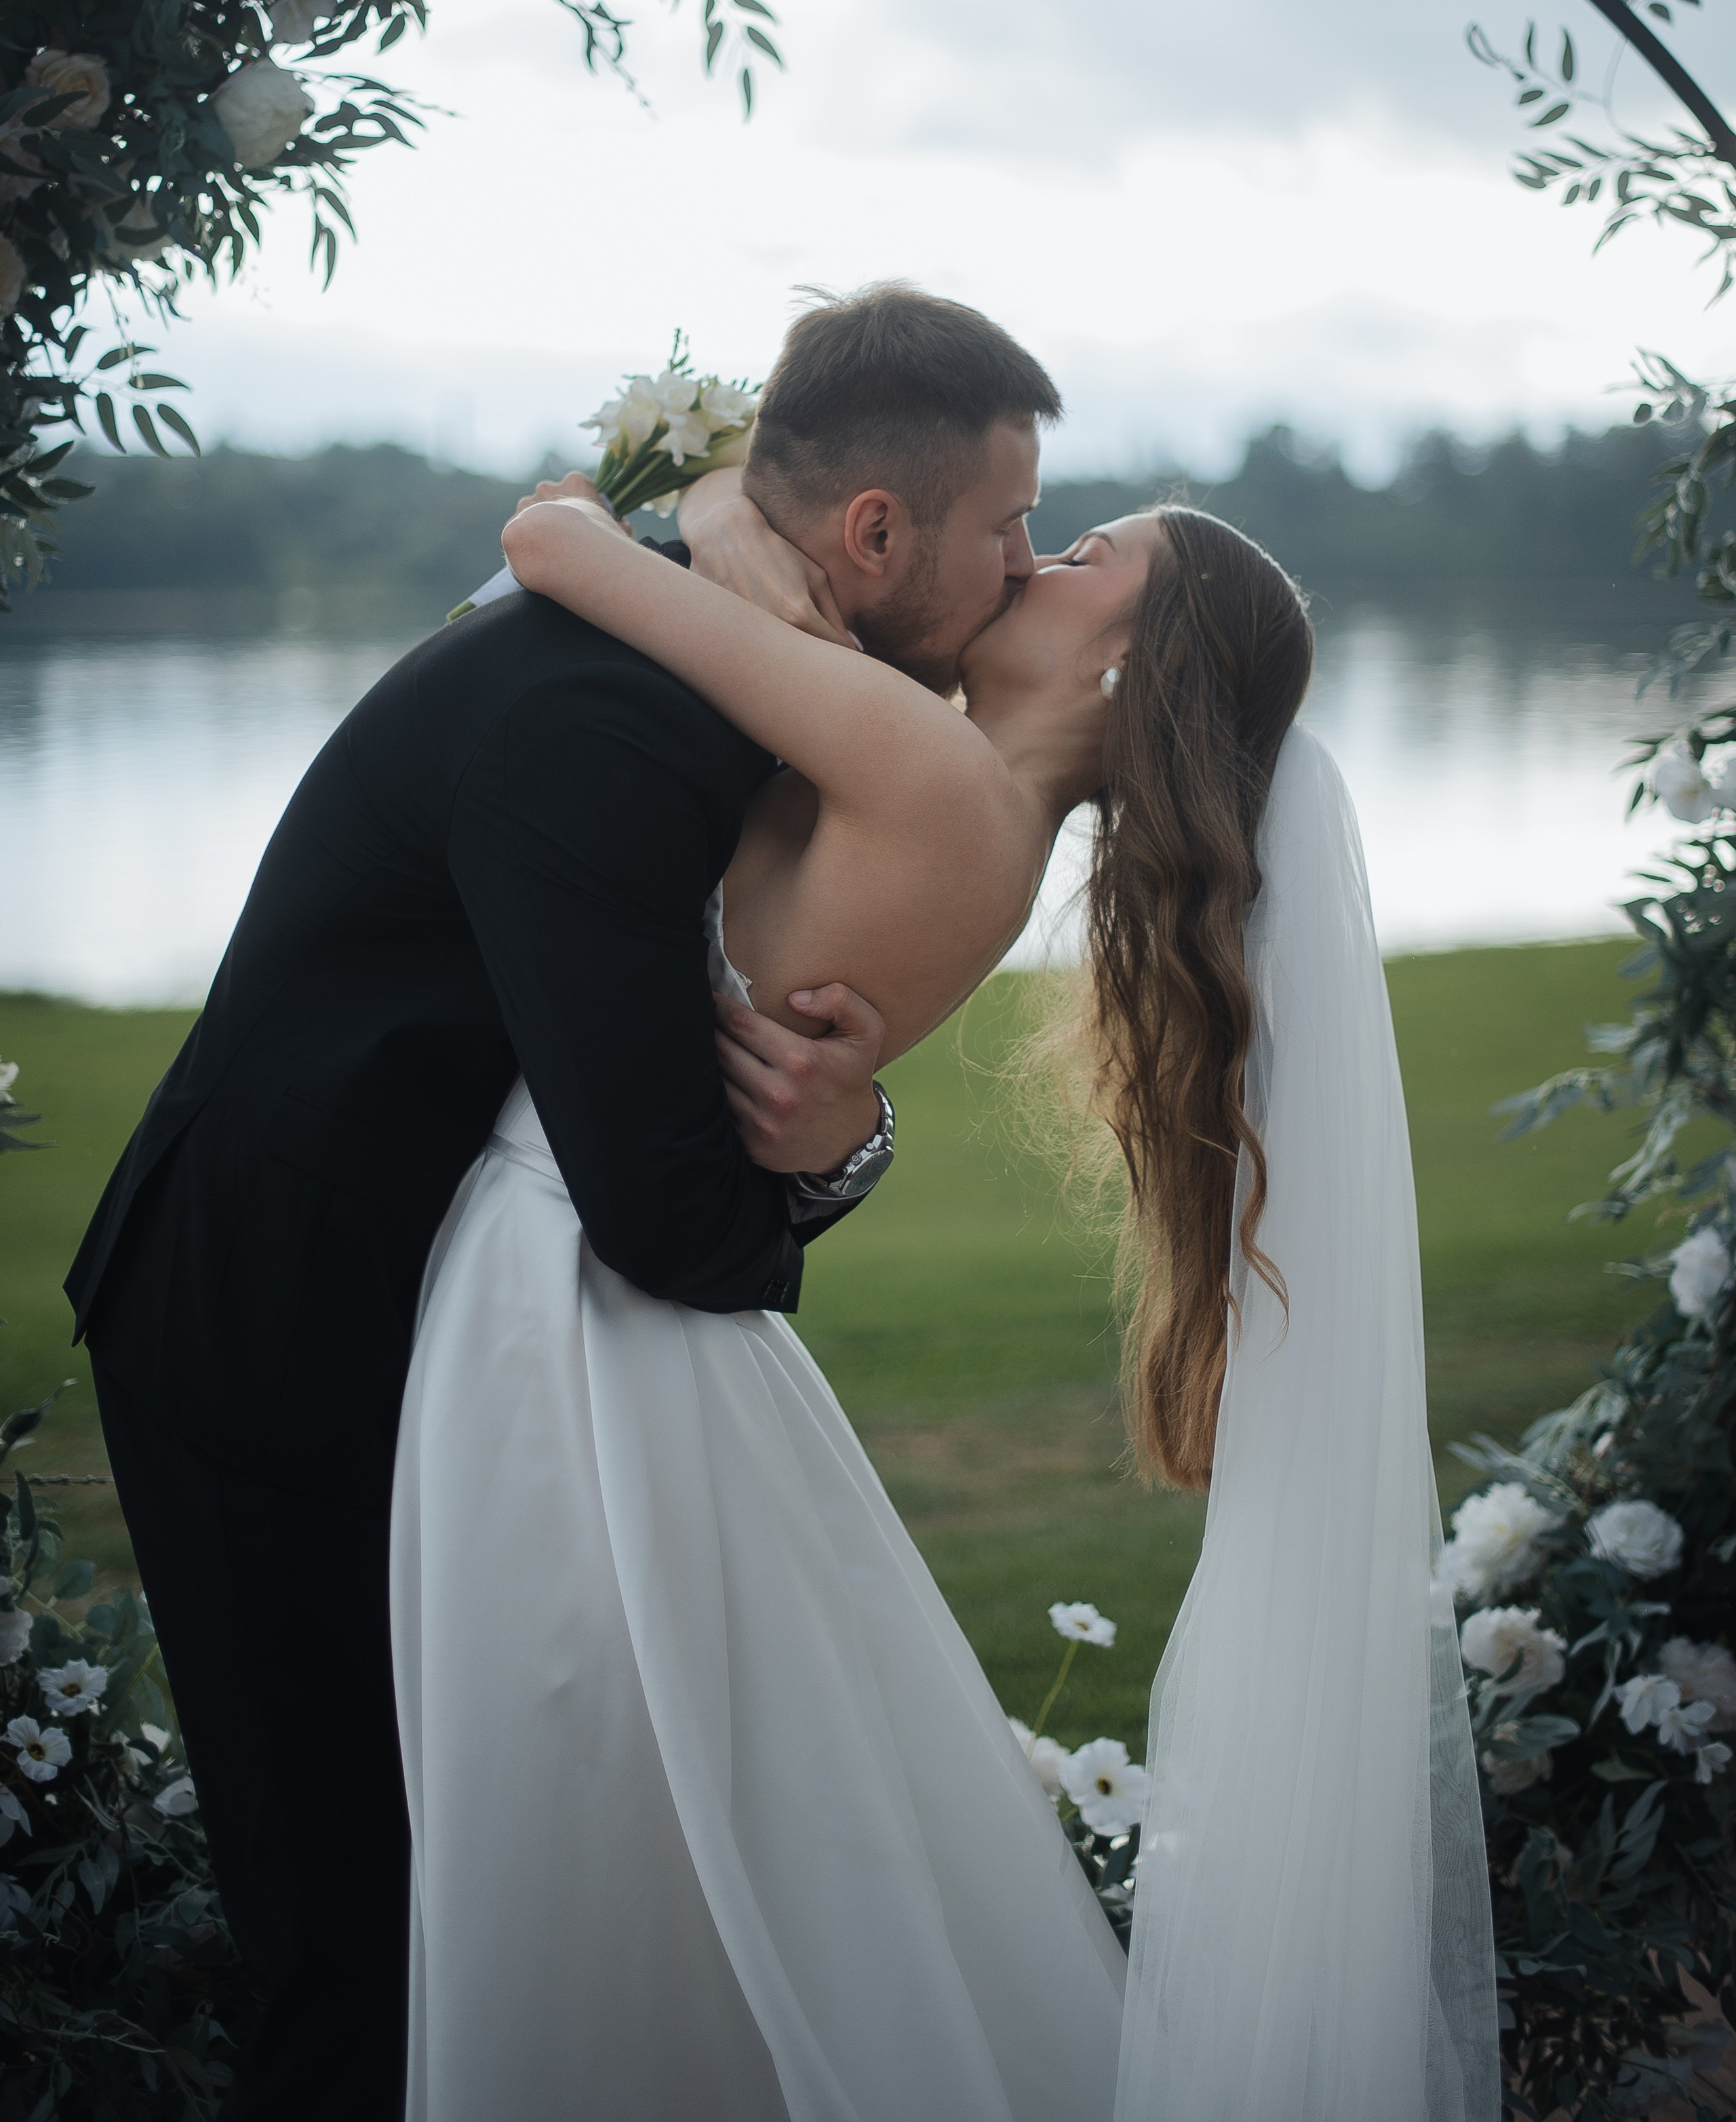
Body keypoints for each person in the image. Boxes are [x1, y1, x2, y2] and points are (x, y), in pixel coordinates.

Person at [396, 317, 1499, 2117]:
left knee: (596, 1834)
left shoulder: (929, 776)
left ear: (1123, 658)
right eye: (1029, 530)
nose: (1028, 562)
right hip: (619, 1296)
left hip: (569, 1296)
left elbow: (557, 545)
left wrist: (717, 512)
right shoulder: (965, 799)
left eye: (1078, 555)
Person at [64, 282, 1063, 2121]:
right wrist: (822, 1159)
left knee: (483, 1901)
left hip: (424, 1329)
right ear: (872, 532)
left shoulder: (691, 658)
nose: (1024, 565)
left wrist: (836, 1133)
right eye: (1008, 524)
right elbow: (664, 1214)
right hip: (265, 1336)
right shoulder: (612, 721)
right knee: (353, 1935)